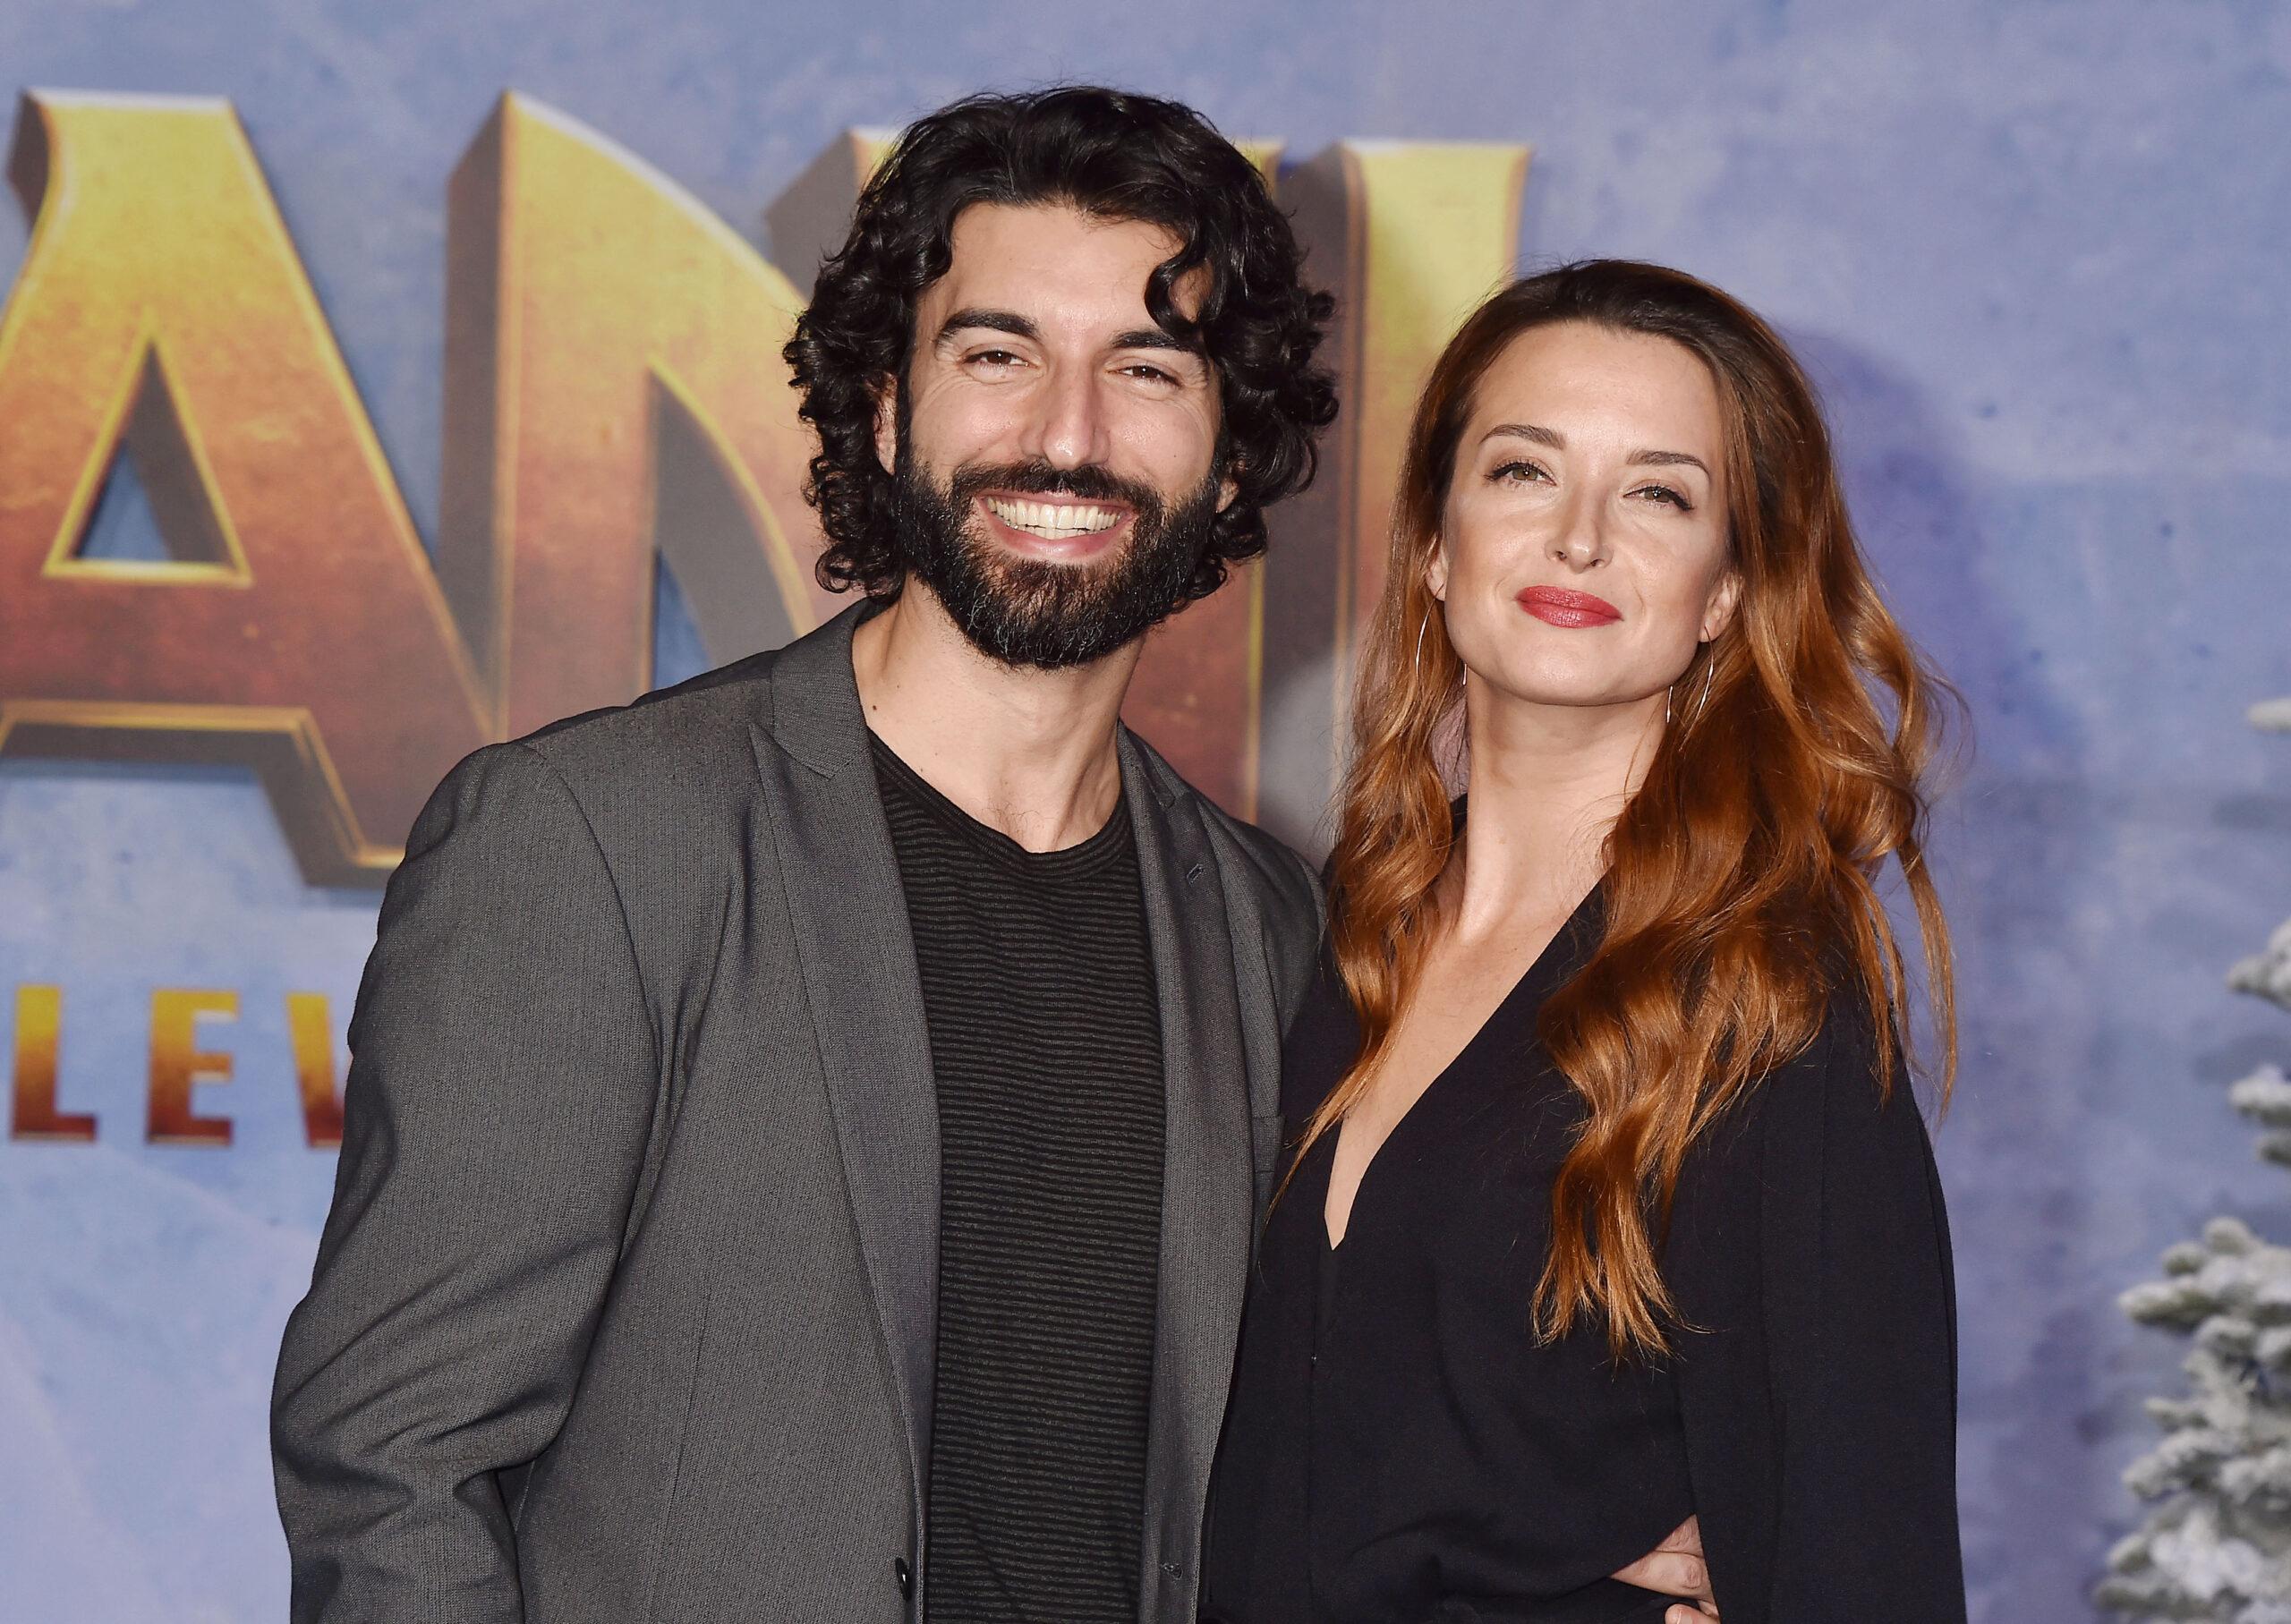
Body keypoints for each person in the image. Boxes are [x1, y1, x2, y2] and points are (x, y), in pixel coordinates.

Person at [268, 86, 1341, 1623]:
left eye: (1148, 369)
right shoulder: (596, 843)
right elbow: (393, 1470)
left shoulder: (1266, 924)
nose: (1066, 433)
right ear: (891, 412)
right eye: (998, 355)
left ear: (1231, 458)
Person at [1202, 261, 1965, 1624]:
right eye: (1523, 472)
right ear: (1436, 541)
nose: (1581, 539)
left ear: (1726, 591)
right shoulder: (1321, 938)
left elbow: (1866, 1543)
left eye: (1660, 495)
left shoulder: (1768, 1005)